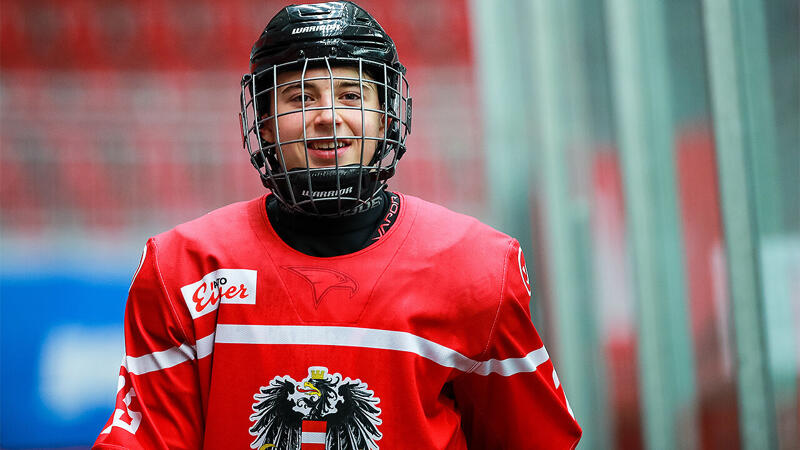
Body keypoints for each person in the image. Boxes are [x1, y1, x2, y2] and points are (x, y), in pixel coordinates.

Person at [93, 2, 582, 449]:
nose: (328, 116)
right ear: (262, 123)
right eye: (299, 96)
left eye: (352, 93)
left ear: (388, 116)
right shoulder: (184, 268)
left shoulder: (476, 268)